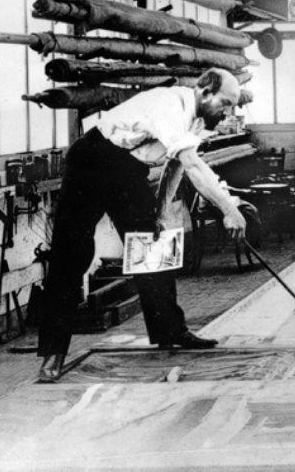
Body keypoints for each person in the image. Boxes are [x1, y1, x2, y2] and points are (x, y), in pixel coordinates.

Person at [36, 69, 247, 383]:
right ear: (204, 92)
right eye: (225, 103)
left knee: (152, 244)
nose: (228, 111)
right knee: (72, 253)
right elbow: (192, 165)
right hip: (92, 160)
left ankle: (170, 332)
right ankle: (53, 351)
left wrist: (161, 211)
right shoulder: (170, 105)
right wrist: (229, 209)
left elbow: (176, 164)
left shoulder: (199, 120)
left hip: (127, 167)